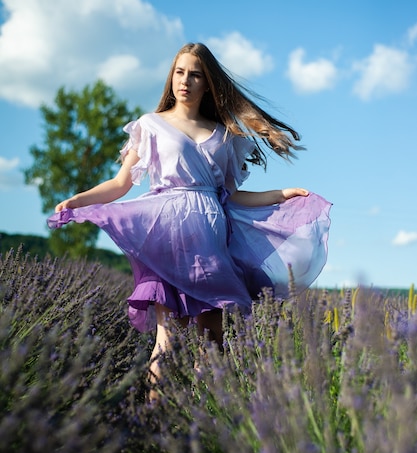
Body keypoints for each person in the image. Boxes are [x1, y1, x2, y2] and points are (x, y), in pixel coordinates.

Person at [48, 42, 331, 400]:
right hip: (168, 236)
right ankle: (153, 421)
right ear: (172, 77)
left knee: (213, 342)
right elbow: (121, 183)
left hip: (211, 240)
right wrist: (77, 200)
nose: (185, 81)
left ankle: (202, 421)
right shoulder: (150, 125)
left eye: (195, 74)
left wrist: (280, 195)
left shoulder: (224, 134)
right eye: (180, 72)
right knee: (168, 340)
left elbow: (230, 196)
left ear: (207, 83)